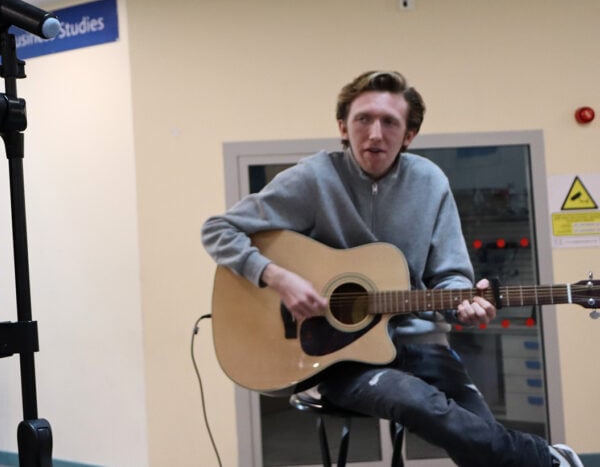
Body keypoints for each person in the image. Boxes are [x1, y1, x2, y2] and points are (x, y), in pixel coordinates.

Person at [201, 70, 582, 467]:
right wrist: (276, 276)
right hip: (339, 358)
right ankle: (547, 459)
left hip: (420, 345)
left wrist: (463, 303)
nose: (375, 133)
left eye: (389, 122)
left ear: (409, 134)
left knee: (477, 435)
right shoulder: (313, 179)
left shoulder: (430, 182)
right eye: (363, 119)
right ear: (343, 127)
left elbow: (450, 276)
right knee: (415, 400)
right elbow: (218, 229)